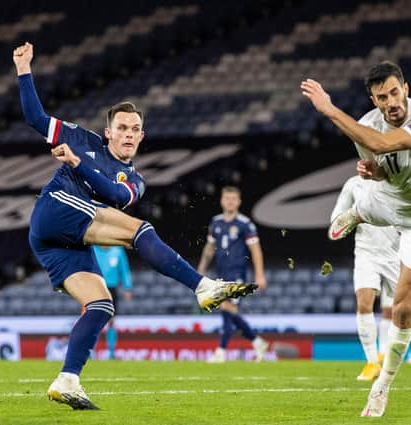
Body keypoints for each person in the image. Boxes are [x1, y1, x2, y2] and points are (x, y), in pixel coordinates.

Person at [13, 42, 257, 410]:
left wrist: (78, 164)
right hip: (54, 209)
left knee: (100, 305)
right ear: (107, 132)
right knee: (138, 231)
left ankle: (67, 379)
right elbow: (35, 117)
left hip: (61, 240)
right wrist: (23, 69)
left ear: (142, 137)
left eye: (135, 129)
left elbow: (110, 190)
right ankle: (203, 287)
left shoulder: (135, 180)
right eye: (122, 127)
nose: (128, 133)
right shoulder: (81, 138)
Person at [302, 61, 411, 417]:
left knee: (404, 310)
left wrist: (328, 110)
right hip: (390, 202)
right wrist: (373, 171)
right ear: (373, 100)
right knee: (369, 196)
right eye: (380, 97)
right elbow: (383, 166)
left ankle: (382, 386)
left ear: (405, 88)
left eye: (393, 92)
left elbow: (381, 142)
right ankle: (359, 211)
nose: (390, 102)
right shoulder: (369, 124)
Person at [331, 176, 411, 382]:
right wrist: (351, 219)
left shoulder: (398, 180)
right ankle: (372, 362)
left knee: (407, 309)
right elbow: (336, 218)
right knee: (364, 304)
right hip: (365, 253)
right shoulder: (353, 185)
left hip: (396, 254)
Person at [197, 186, 269, 363]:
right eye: (227, 198)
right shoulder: (216, 223)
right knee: (228, 311)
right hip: (221, 273)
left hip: (237, 273)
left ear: (239, 202)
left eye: (233, 199)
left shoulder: (245, 224)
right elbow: (209, 248)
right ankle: (257, 341)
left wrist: (260, 275)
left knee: (227, 309)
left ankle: (221, 351)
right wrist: (201, 269)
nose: (230, 201)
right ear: (222, 200)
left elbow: (256, 250)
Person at [92, 245, 133, 359]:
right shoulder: (93, 249)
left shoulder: (118, 250)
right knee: (92, 321)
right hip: (95, 287)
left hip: (111, 290)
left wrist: (127, 287)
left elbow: (124, 269)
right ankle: (90, 352)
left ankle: (111, 353)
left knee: (111, 321)